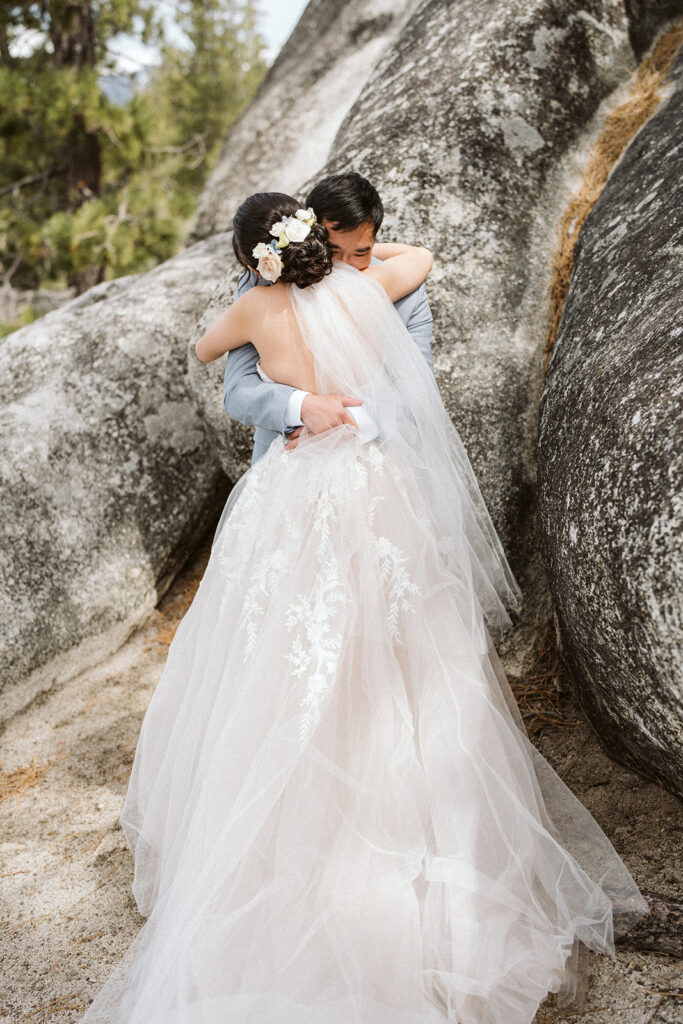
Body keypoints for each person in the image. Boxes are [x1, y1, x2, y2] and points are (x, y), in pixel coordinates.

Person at [77, 193, 648, 1024]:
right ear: (321, 240)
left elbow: (206, 349)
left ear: (251, 256)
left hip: (298, 490)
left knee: (308, 641)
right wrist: (307, 382)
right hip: (367, 484)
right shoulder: (367, 288)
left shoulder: (254, 305)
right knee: (361, 631)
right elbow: (406, 267)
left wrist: (261, 295)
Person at [223, 171, 435, 463]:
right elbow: (236, 391)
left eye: (360, 254)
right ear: (311, 236)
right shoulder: (265, 282)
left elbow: (418, 393)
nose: (345, 268)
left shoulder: (407, 289)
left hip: (375, 462)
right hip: (282, 461)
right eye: (333, 252)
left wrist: (344, 423)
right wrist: (302, 407)